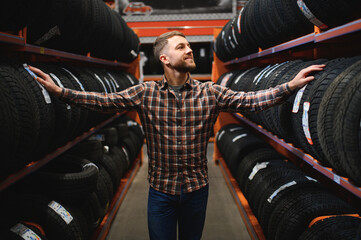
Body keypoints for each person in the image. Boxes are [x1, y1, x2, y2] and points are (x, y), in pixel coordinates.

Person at [30, 31, 325, 240]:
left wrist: (289, 85)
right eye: (181, 47)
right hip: (161, 192)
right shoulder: (145, 93)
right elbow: (103, 101)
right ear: (165, 58)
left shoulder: (210, 92)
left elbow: (251, 100)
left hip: (197, 190)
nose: (189, 50)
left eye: (189, 46)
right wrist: (61, 92)